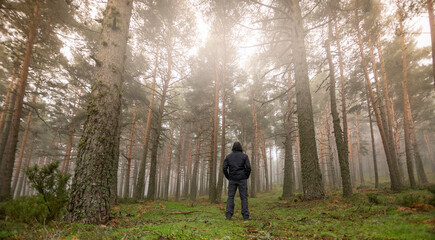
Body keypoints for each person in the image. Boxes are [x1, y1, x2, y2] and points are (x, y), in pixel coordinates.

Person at [223, 141, 251, 220]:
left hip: (232, 179)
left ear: (233, 148)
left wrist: (228, 177)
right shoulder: (244, 156)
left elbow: (224, 168)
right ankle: (246, 216)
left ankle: (228, 216)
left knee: (230, 197)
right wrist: (246, 176)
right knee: (244, 197)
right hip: (242, 179)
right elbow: (248, 168)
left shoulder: (228, 157)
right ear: (240, 147)